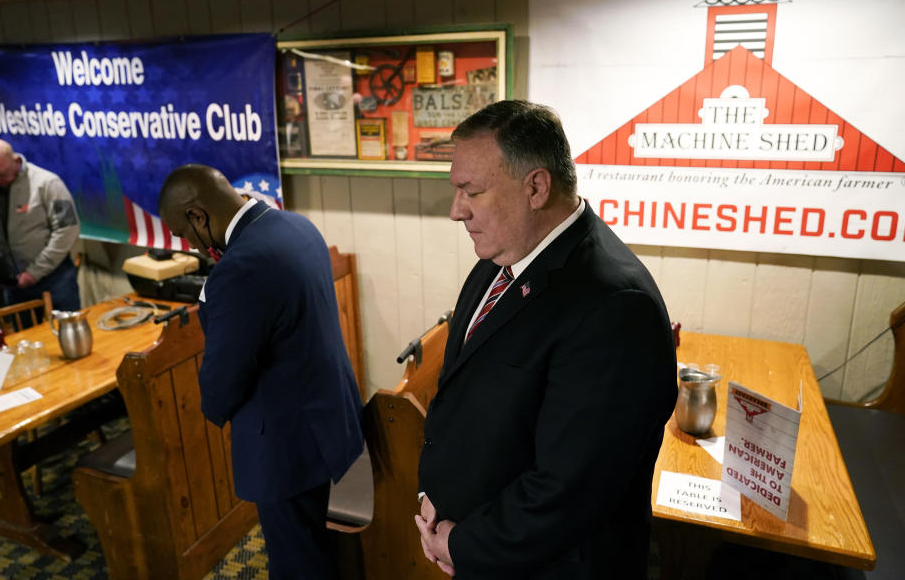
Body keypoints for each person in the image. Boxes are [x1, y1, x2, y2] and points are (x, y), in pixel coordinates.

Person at [414, 100, 678, 579]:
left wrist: (464, 543)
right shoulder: (499, 258)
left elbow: (570, 489)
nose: (456, 212)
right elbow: (468, 395)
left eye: (471, 191)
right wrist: (435, 500)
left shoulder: (615, 307)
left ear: (536, 186)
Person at [157, 164, 364, 580]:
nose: (192, 247)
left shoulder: (240, 267)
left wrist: (210, 300)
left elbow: (223, 379)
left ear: (199, 216)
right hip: (329, 418)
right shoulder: (295, 226)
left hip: (286, 445)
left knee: (297, 562)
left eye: (185, 234)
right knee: (317, 547)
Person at [0, 138, 80, 312]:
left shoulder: (48, 183)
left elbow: (67, 229)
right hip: (12, 283)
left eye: (1, 175)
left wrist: (35, 272)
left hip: (54, 279)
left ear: (15, 161)